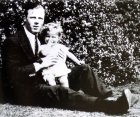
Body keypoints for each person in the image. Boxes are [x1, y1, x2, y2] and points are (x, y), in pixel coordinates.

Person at [1, 1, 139, 114]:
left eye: (40, 18)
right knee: (62, 91)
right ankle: (113, 107)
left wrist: (57, 59)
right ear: (24, 18)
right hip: (28, 91)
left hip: (47, 80)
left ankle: (110, 98)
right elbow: (12, 75)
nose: (37, 22)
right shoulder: (12, 41)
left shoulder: (38, 39)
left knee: (83, 69)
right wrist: (42, 64)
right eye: (32, 18)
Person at [39, 22, 84, 87]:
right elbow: (43, 53)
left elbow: (69, 54)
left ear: (58, 38)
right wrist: (49, 44)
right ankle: (55, 93)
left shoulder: (60, 46)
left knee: (64, 81)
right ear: (44, 37)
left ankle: (66, 94)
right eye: (48, 36)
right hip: (48, 70)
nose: (50, 39)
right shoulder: (43, 46)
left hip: (59, 68)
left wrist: (77, 61)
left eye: (53, 37)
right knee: (51, 83)